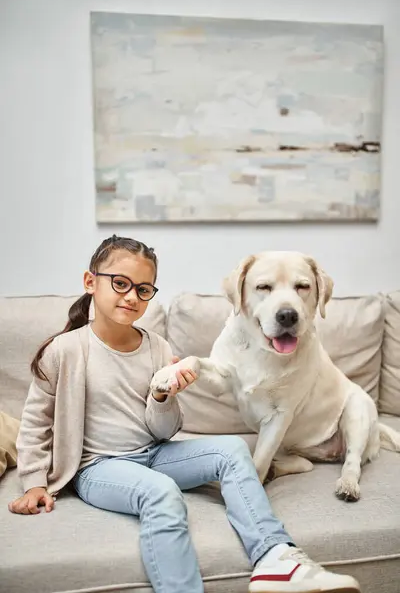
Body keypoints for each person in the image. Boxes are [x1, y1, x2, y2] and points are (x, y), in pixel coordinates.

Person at [8, 235, 360, 593]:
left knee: (235, 449)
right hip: (98, 465)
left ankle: (274, 557)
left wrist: (162, 397)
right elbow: (36, 423)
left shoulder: (157, 347)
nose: (131, 296)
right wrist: (35, 481)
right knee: (160, 492)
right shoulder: (64, 351)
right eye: (120, 283)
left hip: (154, 453)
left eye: (143, 289)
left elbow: (165, 431)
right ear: (90, 282)